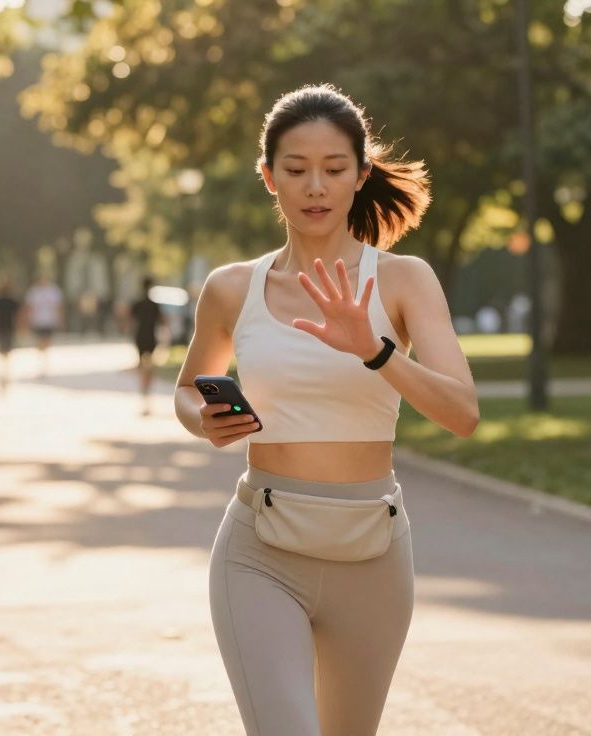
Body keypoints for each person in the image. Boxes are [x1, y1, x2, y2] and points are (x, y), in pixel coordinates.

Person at [173, 84, 479, 736]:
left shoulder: (404, 280)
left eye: (335, 169)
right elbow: (188, 387)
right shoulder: (232, 288)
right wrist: (204, 418)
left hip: (373, 551)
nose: (316, 186)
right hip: (260, 548)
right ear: (268, 177)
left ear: (361, 175)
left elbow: (462, 413)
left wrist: (375, 349)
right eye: (296, 169)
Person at [128, 276, 167, 416]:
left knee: (141, 365)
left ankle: (144, 390)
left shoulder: (137, 303)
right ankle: (147, 389)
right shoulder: (154, 305)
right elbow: (162, 321)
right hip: (150, 337)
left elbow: (131, 320)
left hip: (140, 337)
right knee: (149, 365)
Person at [24, 274, 64, 376]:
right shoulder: (34, 292)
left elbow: (58, 306)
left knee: (47, 339)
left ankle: (45, 359)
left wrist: (60, 319)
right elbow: (30, 307)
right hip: (37, 320)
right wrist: (28, 320)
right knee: (39, 340)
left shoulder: (54, 291)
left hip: (50, 320)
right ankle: (41, 357)